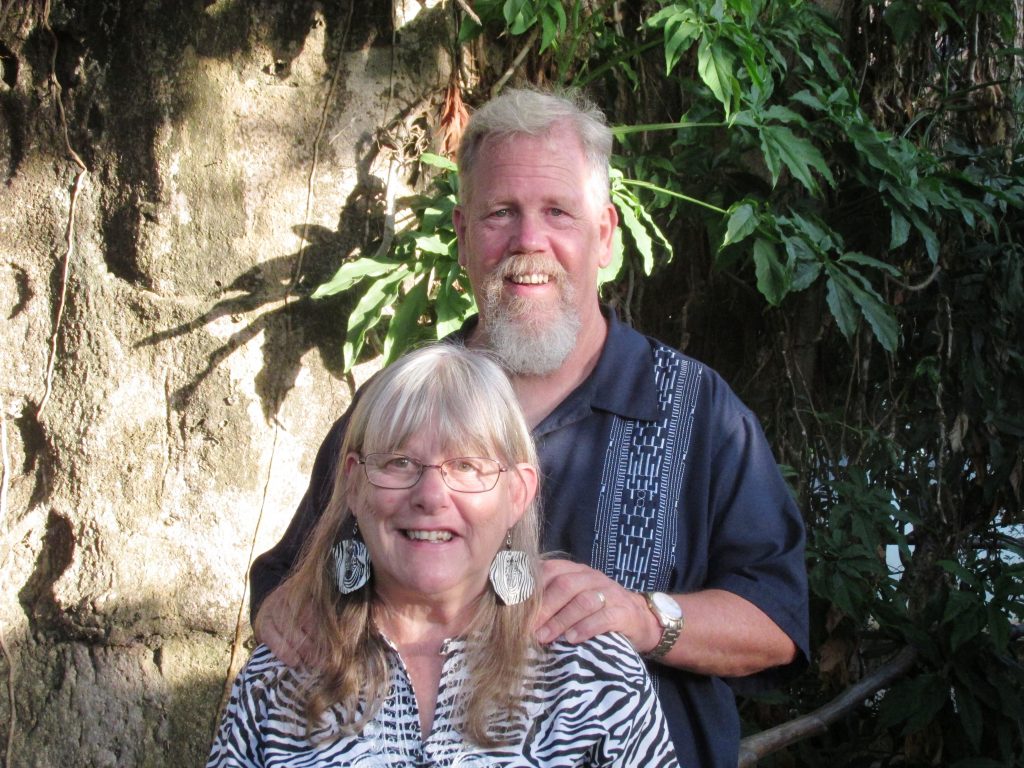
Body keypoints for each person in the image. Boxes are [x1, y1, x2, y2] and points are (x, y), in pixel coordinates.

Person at [250, 87, 809, 768]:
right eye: (501, 213)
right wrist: (292, 608)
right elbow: (299, 580)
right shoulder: (396, 408)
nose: (529, 242)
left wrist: (645, 619)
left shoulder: (697, 411)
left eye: (557, 212)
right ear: (463, 236)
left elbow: (776, 622)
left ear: (604, 235)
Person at [209, 344, 679, 767]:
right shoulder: (279, 675)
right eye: (400, 463)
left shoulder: (594, 674)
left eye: (467, 466)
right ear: (353, 483)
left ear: (518, 493)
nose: (431, 495)